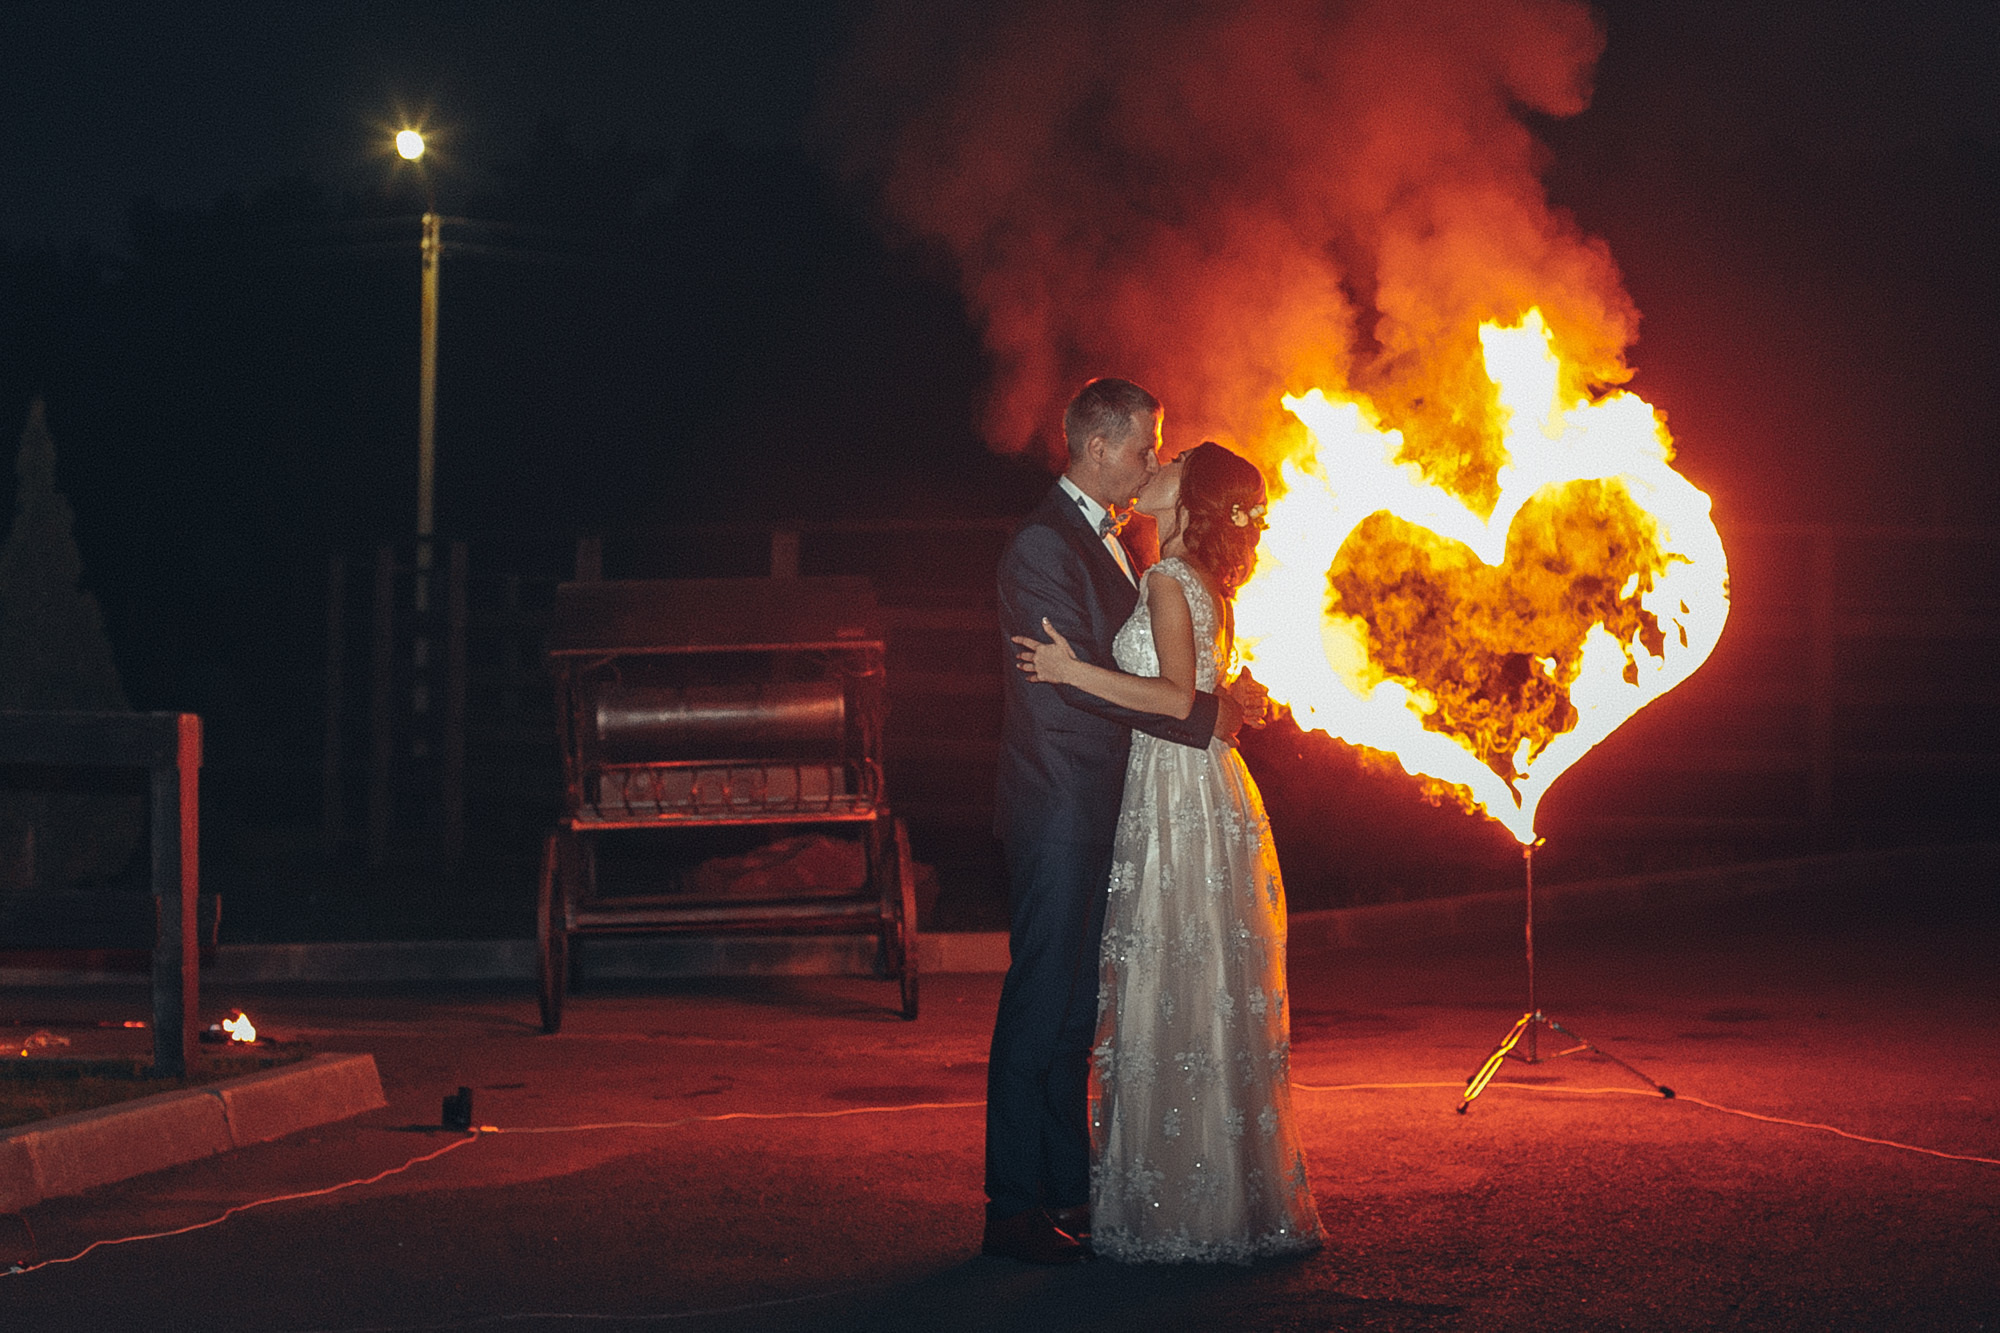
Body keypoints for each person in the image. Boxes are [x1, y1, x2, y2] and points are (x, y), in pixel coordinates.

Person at [1014, 440, 1323, 1264]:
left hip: (1179, 788)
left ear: (1193, 496)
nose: (1160, 461)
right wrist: (1231, 701)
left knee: (1174, 986)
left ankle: (1182, 1204)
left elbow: (1173, 696)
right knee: (1195, 988)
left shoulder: (1165, 578)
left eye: (1176, 460)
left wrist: (1069, 670)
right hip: (1195, 783)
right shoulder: (1199, 580)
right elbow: (1206, 693)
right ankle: (1213, 1193)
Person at [983, 378, 1246, 1265]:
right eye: (1144, 447)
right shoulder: (1039, 546)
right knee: (1040, 1001)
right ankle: (1013, 1207)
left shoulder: (1119, 546)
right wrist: (1205, 715)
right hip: (1060, 804)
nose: (1151, 462)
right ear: (1095, 448)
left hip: (1109, 803)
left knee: (1075, 1012)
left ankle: (1066, 1189)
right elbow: (1078, 680)